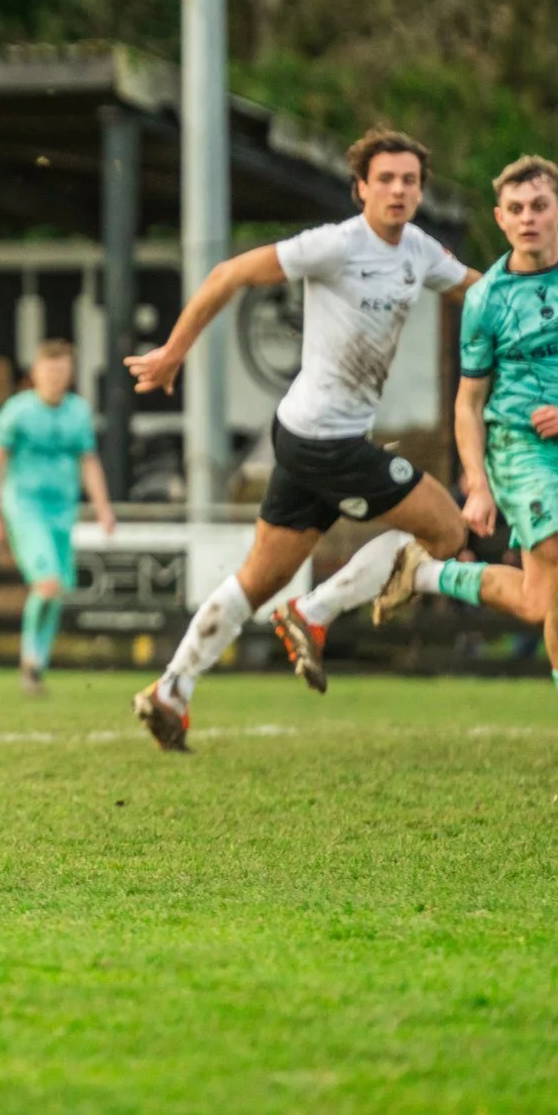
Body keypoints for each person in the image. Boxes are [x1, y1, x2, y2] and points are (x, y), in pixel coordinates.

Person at [122, 128, 477, 748]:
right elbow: (230, 272)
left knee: (258, 578)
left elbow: (485, 289)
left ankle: (171, 690)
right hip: (324, 442)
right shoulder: (335, 245)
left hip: (303, 436)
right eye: (385, 179)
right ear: (360, 188)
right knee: (447, 530)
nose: (398, 190)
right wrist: (173, 352)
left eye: (409, 180)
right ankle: (312, 613)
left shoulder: (418, 250)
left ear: (420, 191)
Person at [379, 156, 558, 767]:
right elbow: (469, 402)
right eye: (516, 209)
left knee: (547, 600)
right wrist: (476, 482)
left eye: (539, 206)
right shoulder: (488, 299)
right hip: (519, 448)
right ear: (500, 219)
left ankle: (428, 574)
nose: (528, 218)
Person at [0, 341, 116, 692]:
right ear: (35, 373)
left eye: (63, 370)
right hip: (24, 506)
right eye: (50, 370)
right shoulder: (17, 411)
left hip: (62, 509)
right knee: (47, 583)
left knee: (58, 590)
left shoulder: (78, 412)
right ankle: (31, 661)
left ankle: (38, 663)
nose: (56, 377)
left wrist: (103, 508)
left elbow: (88, 460)